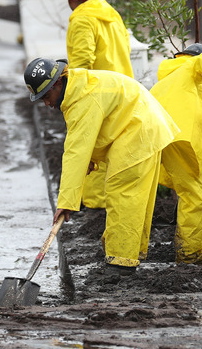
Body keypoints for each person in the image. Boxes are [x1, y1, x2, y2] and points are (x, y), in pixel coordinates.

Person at [23, 57, 179, 276]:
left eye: (47, 96)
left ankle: (121, 264)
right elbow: (95, 128)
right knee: (133, 198)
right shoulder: (78, 87)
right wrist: (91, 158)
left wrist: (66, 201)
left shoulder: (82, 98)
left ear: (58, 82)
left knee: (122, 194)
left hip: (138, 132)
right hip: (141, 127)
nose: (47, 104)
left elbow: (75, 151)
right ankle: (128, 253)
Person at [150, 43, 202, 264]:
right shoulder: (193, 64)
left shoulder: (169, 73)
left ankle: (126, 250)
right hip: (180, 136)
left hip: (153, 133)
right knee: (193, 193)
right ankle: (190, 253)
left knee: (141, 194)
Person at [60, 0, 134, 210]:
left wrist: (75, 95)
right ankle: (110, 202)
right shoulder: (110, 14)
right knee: (114, 149)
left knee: (93, 146)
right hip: (123, 88)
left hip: (98, 92)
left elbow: (82, 62)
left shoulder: (82, 19)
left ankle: (95, 205)